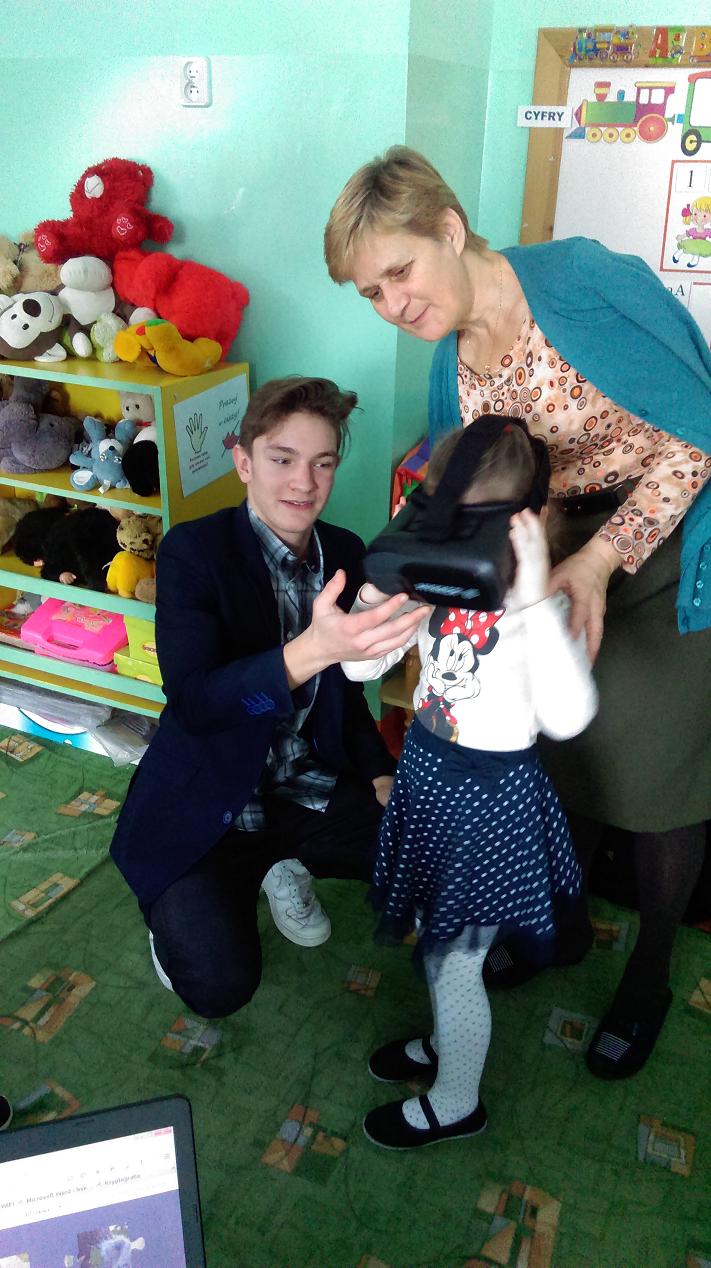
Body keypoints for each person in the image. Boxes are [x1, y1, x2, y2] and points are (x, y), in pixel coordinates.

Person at [325, 145, 711, 1079]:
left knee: (658, 779)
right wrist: (402, 592)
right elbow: (459, 495)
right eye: (370, 292)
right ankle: (563, 929)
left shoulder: (582, 279)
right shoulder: (448, 364)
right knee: (564, 751)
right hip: (547, 565)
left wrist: (598, 562)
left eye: (400, 272)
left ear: (449, 229)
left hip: (664, 542)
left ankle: (650, 972)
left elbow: (700, 428)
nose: (392, 305)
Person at [110, 376, 427, 1018]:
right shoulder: (192, 551)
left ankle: (285, 862)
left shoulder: (345, 552)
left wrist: (379, 771)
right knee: (217, 987)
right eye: (283, 459)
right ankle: (185, 913)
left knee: (426, 857)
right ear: (244, 462)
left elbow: (343, 694)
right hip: (211, 799)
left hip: (305, 783)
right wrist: (312, 649)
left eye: (322, 463)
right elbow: (198, 703)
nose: (304, 483)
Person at [341, 420, 597, 1149]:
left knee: (455, 963)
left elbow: (569, 716)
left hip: (489, 806)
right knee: (440, 945)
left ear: (527, 528)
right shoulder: (432, 583)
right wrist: (381, 588)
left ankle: (457, 1102)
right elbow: (358, 668)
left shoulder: (536, 610)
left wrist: (532, 599)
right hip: (428, 782)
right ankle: (447, 1043)